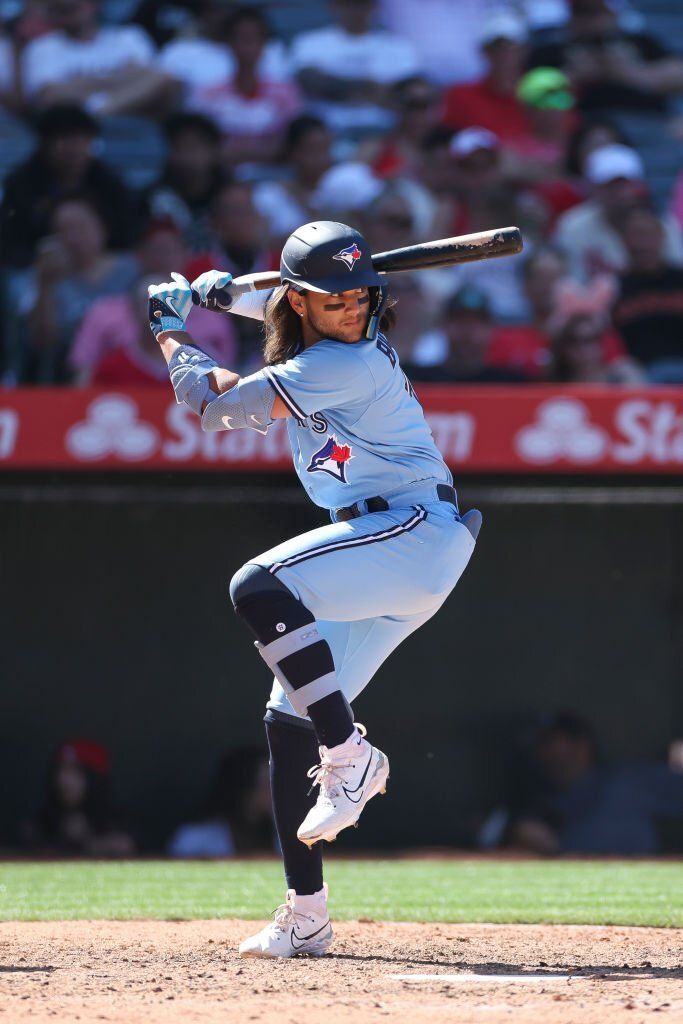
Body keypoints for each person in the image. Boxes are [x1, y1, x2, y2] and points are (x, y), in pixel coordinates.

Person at [146, 220, 482, 956]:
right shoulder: (314, 337)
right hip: (398, 552)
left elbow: (215, 406)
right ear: (297, 303)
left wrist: (172, 330)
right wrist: (222, 296)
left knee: (257, 584)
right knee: (285, 712)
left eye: (361, 296)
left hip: (410, 528)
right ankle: (307, 913)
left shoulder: (346, 361)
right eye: (333, 299)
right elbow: (281, 311)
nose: (352, 307)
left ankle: (351, 753)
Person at [504, 712, 683, 856]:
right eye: (538, 745)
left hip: (643, 885)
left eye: (549, 742)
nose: (542, 754)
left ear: (581, 745)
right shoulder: (546, 806)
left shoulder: (627, 779)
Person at [0, 104, 138, 269]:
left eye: (82, 139)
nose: (74, 149)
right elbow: (13, 241)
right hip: (37, 268)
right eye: (65, 139)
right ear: (46, 144)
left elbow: (124, 236)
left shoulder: (110, 184)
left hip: (99, 268)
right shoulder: (22, 185)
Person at [28, 197, 138, 382]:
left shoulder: (131, 269)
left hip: (126, 372)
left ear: (103, 228)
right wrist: (45, 285)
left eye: (80, 228)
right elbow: (43, 342)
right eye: (62, 230)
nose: (72, 238)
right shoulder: (48, 278)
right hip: (66, 375)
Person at [184, 5, 301, 167]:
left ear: (264, 44)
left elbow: (291, 145)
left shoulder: (286, 94)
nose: (247, 45)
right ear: (228, 43)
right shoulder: (207, 95)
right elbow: (201, 147)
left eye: (254, 38)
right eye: (241, 38)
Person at [21, 0, 177, 116]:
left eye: (75, 6)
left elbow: (159, 80)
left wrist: (80, 86)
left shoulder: (129, 37)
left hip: (132, 122)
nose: (69, 6)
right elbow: (49, 97)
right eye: (62, 9)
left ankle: (102, 111)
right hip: (73, 129)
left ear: (94, 4)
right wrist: (122, 77)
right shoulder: (42, 47)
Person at [553, 143, 683, 281]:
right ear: (594, 188)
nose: (620, 193)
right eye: (610, 186)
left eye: (625, 184)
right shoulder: (573, 227)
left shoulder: (663, 223)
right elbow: (569, 284)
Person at [528, 0, 683, 115]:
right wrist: (572, 76)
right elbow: (531, 98)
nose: (592, 21)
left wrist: (634, 73)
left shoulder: (640, 43)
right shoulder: (550, 51)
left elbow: (678, 77)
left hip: (644, 121)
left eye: (598, 12)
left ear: (613, 14)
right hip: (576, 124)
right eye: (583, 12)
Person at [290, 0, 420, 135]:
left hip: (386, 135)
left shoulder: (399, 47)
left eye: (363, 3)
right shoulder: (309, 43)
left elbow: (410, 93)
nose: (357, 10)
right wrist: (374, 89)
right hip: (327, 134)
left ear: (374, 6)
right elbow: (311, 83)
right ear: (333, 5)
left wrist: (338, 88)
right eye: (349, 3)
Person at [21, 738, 136, 857]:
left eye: (74, 771)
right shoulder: (43, 820)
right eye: (61, 770)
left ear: (94, 778)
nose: (63, 780)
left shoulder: (116, 819)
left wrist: (87, 841)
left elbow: (126, 845)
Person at [613, 205, 683, 382]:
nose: (641, 244)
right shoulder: (613, 287)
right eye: (635, 235)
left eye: (647, 234)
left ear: (661, 237)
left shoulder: (680, 279)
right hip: (638, 375)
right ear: (623, 241)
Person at [407, 287, 530, 383]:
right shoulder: (414, 381)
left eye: (477, 322)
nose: (468, 330)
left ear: (491, 329)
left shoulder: (512, 384)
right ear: (443, 326)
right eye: (460, 320)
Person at [168, 748, 274, 857]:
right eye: (267, 782)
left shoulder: (282, 837)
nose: (275, 790)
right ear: (243, 789)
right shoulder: (195, 839)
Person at [146, 113, 227, 253]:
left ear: (214, 151)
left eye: (195, 146)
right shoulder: (153, 198)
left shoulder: (231, 194)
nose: (188, 155)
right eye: (179, 146)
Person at [253, 116, 333, 242]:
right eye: (313, 149)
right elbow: (258, 244)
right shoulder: (269, 195)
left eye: (325, 149)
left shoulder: (340, 193)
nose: (321, 157)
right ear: (293, 152)